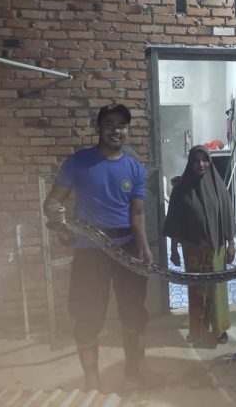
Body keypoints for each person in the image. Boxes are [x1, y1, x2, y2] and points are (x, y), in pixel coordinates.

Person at [43, 104, 154, 391]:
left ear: (127, 130)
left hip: (127, 247)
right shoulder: (78, 163)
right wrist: (57, 217)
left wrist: (144, 247)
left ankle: (135, 369)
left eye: (122, 125)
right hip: (90, 250)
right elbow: (52, 201)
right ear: (99, 128)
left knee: (134, 312)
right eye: (110, 123)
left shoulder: (136, 168)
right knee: (88, 315)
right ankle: (91, 377)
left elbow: (137, 214)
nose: (116, 130)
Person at [163, 145, 236, 344]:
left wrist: (231, 243)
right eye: (196, 161)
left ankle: (219, 329)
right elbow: (175, 221)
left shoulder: (218, 186)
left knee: (216, 289)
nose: (201, 164)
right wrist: (173, 250)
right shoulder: (181, 189)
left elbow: (227, 215)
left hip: (216, 248)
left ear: (209, 162)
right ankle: (197, 329)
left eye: (204, 160)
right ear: (190, 163)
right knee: (196, 290)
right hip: (192, 249)